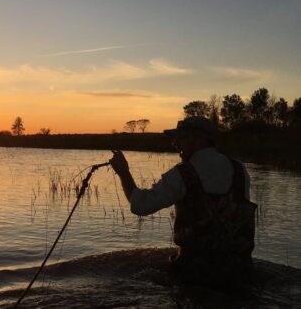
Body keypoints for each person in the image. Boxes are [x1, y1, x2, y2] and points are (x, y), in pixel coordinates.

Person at [109, 116, 257, 287]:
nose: (174, 143)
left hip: (192, 277)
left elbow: (140, 206)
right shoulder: (240, 171)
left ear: (198, 139)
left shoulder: (182, 174)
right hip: (241, 275)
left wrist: (124, 173)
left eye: (180, 137)